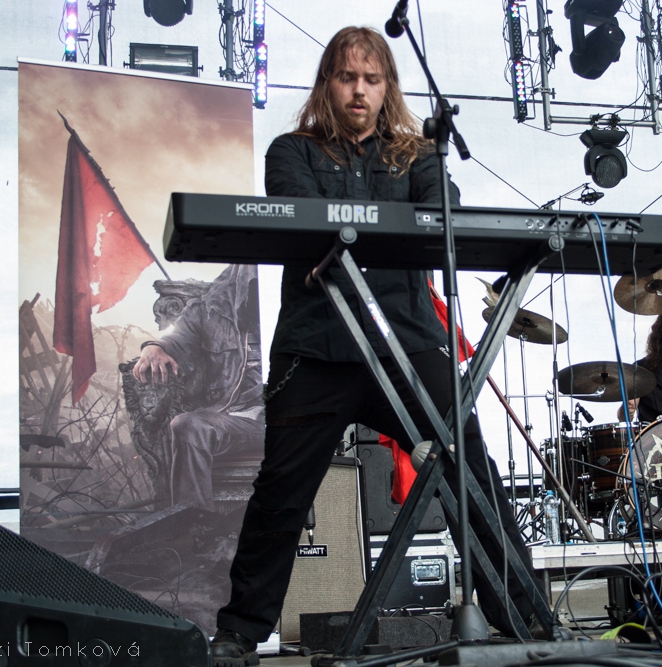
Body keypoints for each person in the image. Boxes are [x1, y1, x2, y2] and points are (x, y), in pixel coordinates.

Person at [209, 27, 546, 666]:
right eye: (347, 78)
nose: (359, 91)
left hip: (408, 342)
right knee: (281, 491)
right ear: (327, 85)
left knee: (469, 466)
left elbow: (441, 209)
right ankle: (240, 631)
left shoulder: (417, 155)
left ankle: (523, 614)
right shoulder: (292, 150)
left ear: (388, 86)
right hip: (317, 346)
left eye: (371, 78)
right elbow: (304, 217)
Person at [132, 264, 265, 510]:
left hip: (294, 420)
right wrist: (153, 347)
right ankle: (194, 521)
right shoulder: (207, 310)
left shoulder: (303, 307)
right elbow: (176, 341)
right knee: (189, 425)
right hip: (240, 419)